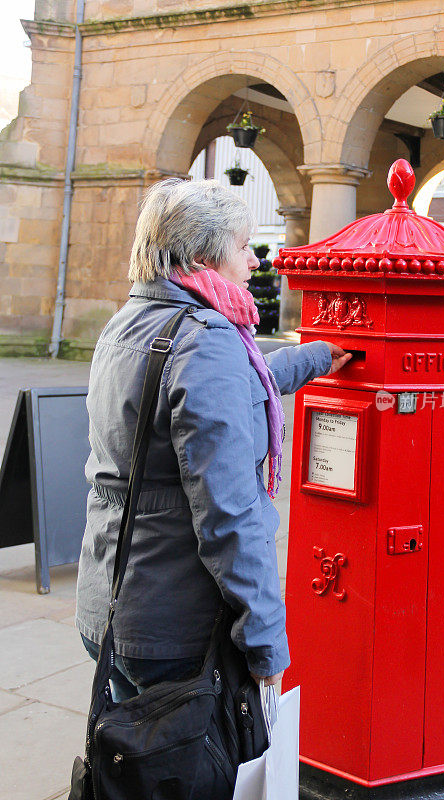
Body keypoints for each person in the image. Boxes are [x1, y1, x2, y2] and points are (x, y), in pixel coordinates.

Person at [75, 178, 351, 700]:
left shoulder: (130, 322)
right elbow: (229, 510)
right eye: (244, 247)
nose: (255, 261)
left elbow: (214, 393)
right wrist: (266, 640)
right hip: (176, 624)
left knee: (133, 767)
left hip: (109, 603)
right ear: (203, 256)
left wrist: (307, 360)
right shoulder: (206, 339)